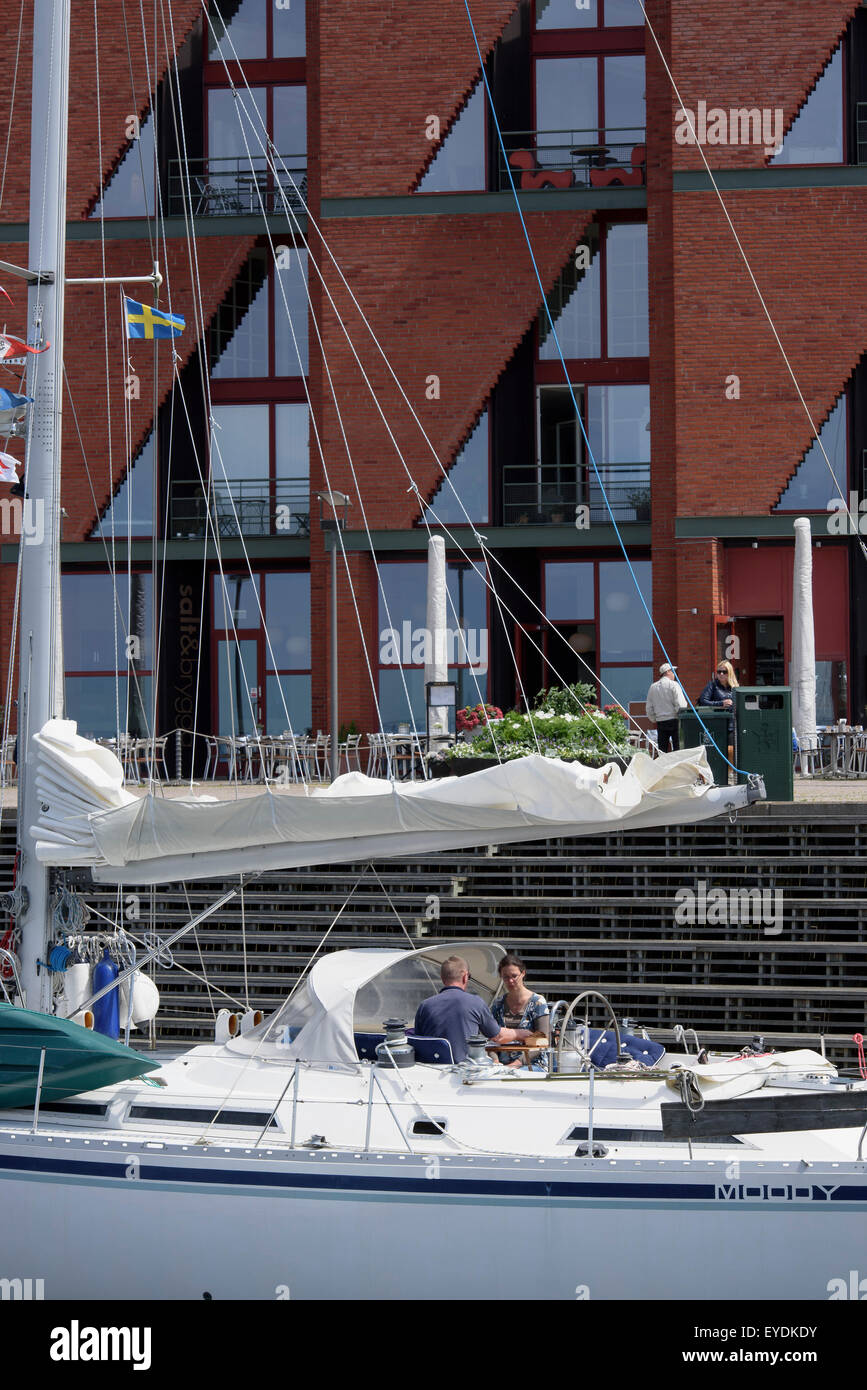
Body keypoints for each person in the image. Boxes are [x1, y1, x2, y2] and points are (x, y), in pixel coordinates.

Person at [413, 955, 531, 1063]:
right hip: (463, 1071)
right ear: (465, 977)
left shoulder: (424, 1006)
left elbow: (419, 1042)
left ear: (443, 979)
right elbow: (497, 1036)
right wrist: (520, 1033)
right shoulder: (475, 1002)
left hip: (431, 1071)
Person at [491, 954, 549, 1069]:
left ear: (523, 973)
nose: (510, 981)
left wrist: (517, 1063)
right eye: (506, 977)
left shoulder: (538, 1002)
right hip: (503, 1065)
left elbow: (542, 1041)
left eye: (514, 976)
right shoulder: (498, 1004)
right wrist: (495, 1061)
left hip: (532, 1064)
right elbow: (490, 1039)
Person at [645, 662, 687, 753]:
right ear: (667, 672)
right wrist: (679, 714)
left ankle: (663, 766)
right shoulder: (674, 685)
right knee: (677, 749)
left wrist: (654, 719)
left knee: (662, 750)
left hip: (660, 722)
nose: (674, 674)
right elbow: (681, 704)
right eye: (673, 671)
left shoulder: (653, 687)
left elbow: (649, 708)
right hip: (674, 720)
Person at [698, 657, 739, 747]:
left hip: (733, 726)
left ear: (730, 673)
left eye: (724, 672)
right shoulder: (712, 685)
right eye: (719, 671)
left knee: (732, 752)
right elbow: (703, 701)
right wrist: (721, 703)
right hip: (717, 724)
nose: (721, 674)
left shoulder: (735, 687)